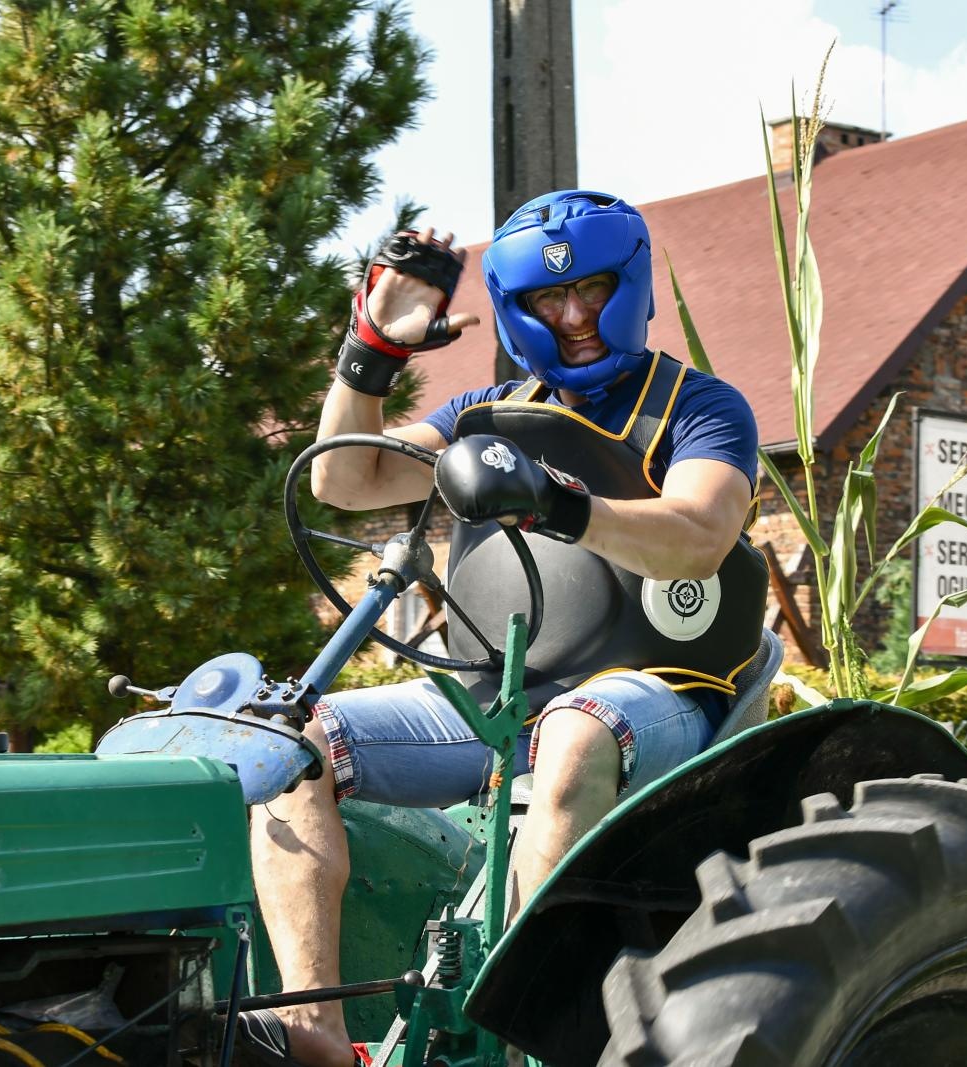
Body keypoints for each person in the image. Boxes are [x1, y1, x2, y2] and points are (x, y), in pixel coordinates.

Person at [246, 190, 766, 1067]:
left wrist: (559, 505)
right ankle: (318, 1039)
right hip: (491, 697)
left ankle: (514, 1043)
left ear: (630, 284)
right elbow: (347, 479)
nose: (574, 319)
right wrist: (372, 348)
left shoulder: (700, 407)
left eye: (593, 292)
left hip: (660, 694)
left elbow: (699, 535)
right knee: (283, 746)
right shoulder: (482, 414)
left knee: (571, 735)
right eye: (547, 302)